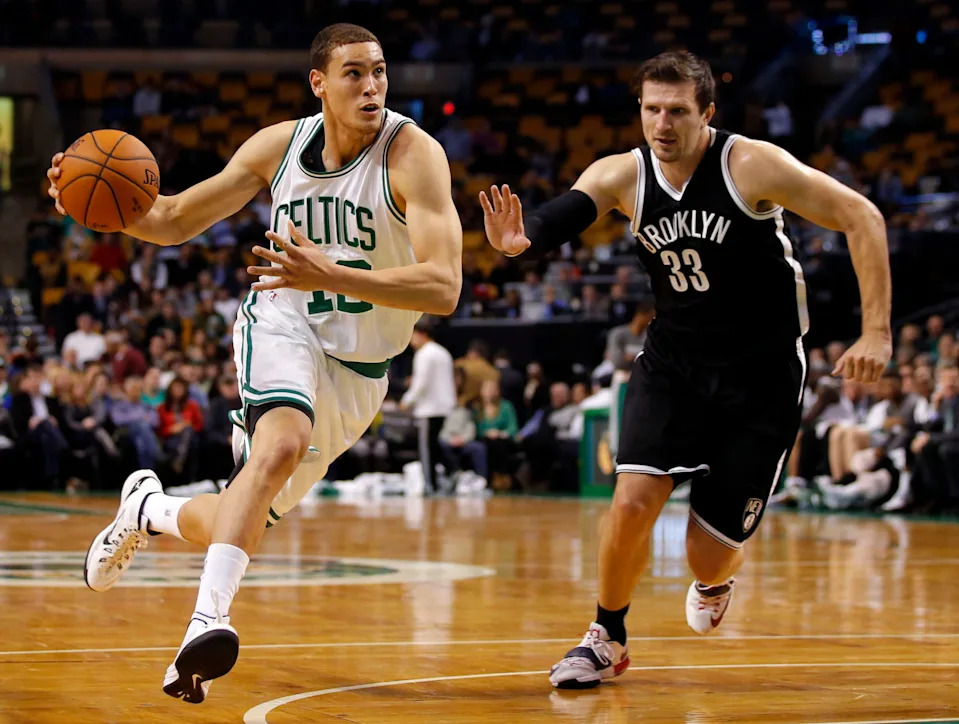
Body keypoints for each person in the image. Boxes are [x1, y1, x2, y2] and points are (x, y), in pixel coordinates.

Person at [47, 23, 462, 704]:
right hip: (283, 318)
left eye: (380, 72)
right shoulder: (279, 146)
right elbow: (173, 218)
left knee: (239, 511)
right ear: (318, 83)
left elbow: (443, 287)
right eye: (354, 73)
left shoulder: (414, 155)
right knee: (280, 445)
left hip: (360, 369)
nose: (372, 87)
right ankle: (206, 624)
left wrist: (331, 272)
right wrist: (82, 199)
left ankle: (149, 509)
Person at [479, 50, 891, 689]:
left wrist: (876, 332)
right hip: (673, 364)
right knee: (631, 502)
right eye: (652, 110)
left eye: (677, 111)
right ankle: (606, 637)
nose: (662, 124)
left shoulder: (751, 164)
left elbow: (862, 216)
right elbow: (566, 213)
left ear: (707, 114)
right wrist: (521, 238)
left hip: (761, 376)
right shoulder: (623, 174)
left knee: (706, 554)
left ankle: (717, 577)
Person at [400, 318, 456, 494]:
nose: (410, 340)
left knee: (427, 449)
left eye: (413, 335)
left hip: (429, 408)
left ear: (422, 334)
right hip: (444, 406)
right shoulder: (443, 352)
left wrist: (407, 400)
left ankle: (430, 485)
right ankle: (451, 470)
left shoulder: (424, 354)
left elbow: (421, 383)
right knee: (435, 445)